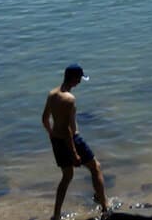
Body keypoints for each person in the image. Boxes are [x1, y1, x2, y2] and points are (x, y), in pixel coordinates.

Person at [42, 64, 108, 220]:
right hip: (72, 140)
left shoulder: (52, 94)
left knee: (66, 177)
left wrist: (51, 134)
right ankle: (105, 207)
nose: (79, 82)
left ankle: (56, 215)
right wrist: (74, 153)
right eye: (79, 78)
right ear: (73, 78)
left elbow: (44, 119)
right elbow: (67, 130)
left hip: (56, 140)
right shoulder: (69, 99)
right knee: (95, 167)